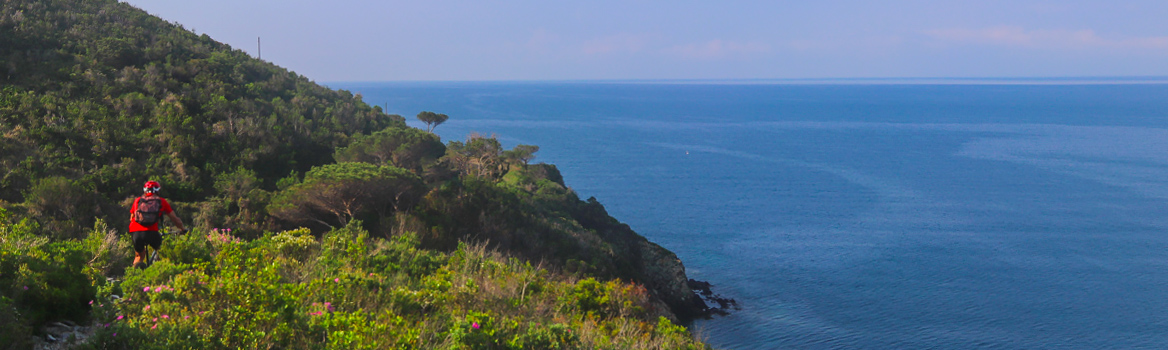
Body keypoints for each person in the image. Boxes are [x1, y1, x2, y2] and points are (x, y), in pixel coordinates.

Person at [129, 180, 187, 268]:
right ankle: (159, 271)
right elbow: (175, 219)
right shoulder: (162, 202)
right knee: (162, 252)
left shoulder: (137, 201)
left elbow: (131, 217)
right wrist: (182, 229)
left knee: (139, 255)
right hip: (152, 232)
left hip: (136, 232)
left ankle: (133, 275)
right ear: (158, 191)